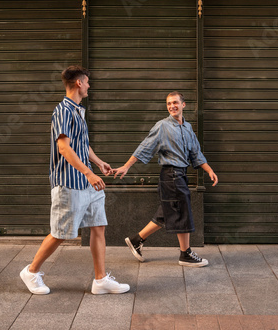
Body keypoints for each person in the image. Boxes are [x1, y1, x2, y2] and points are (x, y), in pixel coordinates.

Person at [20, 65, 129, 295]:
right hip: (69, 182)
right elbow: (64, 148)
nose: (89, 86)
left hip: (88, 182)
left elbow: (81, 145)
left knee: (98, 227)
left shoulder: (78, 111)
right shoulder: (63, 110)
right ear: (79, 83)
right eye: (87, 82)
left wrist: (98, 163)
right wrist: (88, 173)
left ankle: (100, 280)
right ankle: (31, 272)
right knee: (61, 233)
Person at [113, 91, 218, 267]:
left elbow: (195, 153)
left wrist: (208, 170)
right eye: (169, 104)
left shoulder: (188, 127)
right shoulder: (162, 126)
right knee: (182, 211)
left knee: (168, 213)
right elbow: (145, 147)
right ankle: (185, 254)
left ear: (183, 105)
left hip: (180, 175)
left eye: (175, 103)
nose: (172, 106)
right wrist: (126, 166)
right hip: (171, 175)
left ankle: (136, 240)